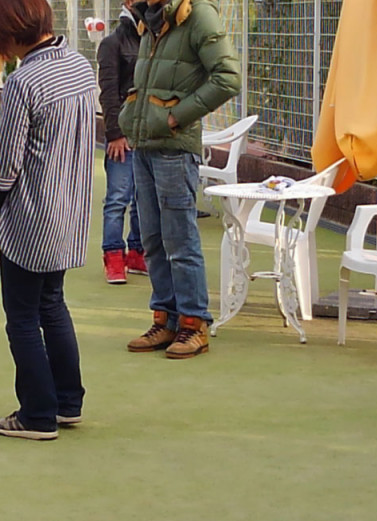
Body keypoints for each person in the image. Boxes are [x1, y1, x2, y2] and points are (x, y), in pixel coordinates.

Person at [0, 0, 94, 440]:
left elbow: (7, 159)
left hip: (31, 217)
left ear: (10, 30)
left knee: (23, 318)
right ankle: (67, 402)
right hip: (70, 211)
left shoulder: (24, 81)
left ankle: (37, 414)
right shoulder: (80, 66)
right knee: (53, 305)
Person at [119, 0, 241, 359]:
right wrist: (133, 114)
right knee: (153, 238)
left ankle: (193, 324)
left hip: (173, 146)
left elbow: (228, 77)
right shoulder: (150, 20)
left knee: (179, 239)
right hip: (144, 144)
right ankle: (166, 319)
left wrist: (175, 118)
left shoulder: (197, 14)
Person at [97, 1, 146, 284]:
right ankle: (113, 256)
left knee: (142, 198)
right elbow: (108, 91)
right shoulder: (112, 43)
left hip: (147, 132)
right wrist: (115, 133)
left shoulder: (154, 38)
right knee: (118, 197)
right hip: (123, 133)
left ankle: (137, 253)